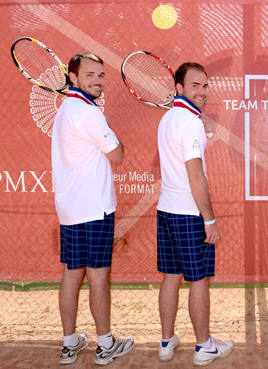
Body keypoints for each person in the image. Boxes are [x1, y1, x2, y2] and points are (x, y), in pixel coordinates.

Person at [52, 52, 133, 365]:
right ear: (73, 78)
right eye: (90, 75)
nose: (98, 81)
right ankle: (105, 345)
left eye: (101, 75)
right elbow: (117, 154)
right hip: (94, 211)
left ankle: (70, 345)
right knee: (99, 276)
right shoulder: (88, 113)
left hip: (72, 209)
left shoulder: (67, 109)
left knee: (73, 274)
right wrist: (108, 126)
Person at [156, 62, 234, 366]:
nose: (202, 91)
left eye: (205, 85)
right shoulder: (190, 122)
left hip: (167, 211)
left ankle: (166, 342)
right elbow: (195, 174)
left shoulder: (169, 119)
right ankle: (204, 347)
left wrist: (204, 134)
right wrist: (209, 219)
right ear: (179, 88)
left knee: (171, 276)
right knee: (199, 280)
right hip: (189, 215)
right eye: (195, 86)